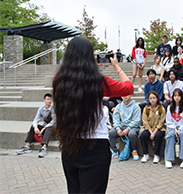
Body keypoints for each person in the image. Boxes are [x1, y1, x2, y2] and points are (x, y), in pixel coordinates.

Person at [53, 37, 134, 193]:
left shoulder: (59, 81)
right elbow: (128, 88)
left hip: (70, 146)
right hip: (95, 148)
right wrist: (116, 66)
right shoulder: (98, 81)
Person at [16, 93, 55, 158]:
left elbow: (54, 121)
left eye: (51, 99)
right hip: (45, 129)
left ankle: (44, 147)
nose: (49, 101)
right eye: (47, 99)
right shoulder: (41, 109)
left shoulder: (54, 109)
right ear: (44, 100)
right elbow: (36, 120)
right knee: (33, 126)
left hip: (54, 129)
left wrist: (44, 128)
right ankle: (27, 146)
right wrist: (35, 127)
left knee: (49, 127)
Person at [164, 89, 183, 169]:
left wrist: (180, 129)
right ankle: (168, 159)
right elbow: (168, 121)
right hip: (173, 128)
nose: (177, 98)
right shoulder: (170, 107)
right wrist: (175, 129)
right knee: (170, 135)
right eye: (175, 96)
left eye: (178, 96)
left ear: (181, 97)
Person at [109, 94, 141, 160]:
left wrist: (128, 128)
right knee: (111, 132)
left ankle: (134, 151)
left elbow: (136, 120)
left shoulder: (136, 106)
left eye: (127, 94)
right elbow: (116, 119)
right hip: (121, 126)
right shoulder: (118, 106)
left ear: (130, 96)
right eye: (123, 94)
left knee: (132, 134)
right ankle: (114, 151)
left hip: (133, 127)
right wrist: (118, 128)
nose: (125, 96)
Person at [140, 91, 166, 163]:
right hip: (149, 129)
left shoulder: (161, 109)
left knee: (158, 136)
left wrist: (154, 132)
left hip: (159, 129)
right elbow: (145, 121)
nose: (152, 100)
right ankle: (145, 154)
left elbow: (161, 121)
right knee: (143, 135)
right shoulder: (146, 109)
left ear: (157, 98)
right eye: (150, 98)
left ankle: (156, 155)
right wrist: (151, 132)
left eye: (154, 98)